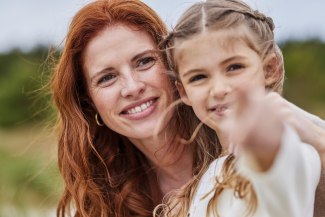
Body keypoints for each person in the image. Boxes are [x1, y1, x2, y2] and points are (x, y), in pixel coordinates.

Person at [50, 0, 219, 216]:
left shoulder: (240, 147)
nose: (132, 87)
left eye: (144, 61)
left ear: (171, 63)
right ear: (88, 101)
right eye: (107, 78)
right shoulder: (103, 201)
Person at [158, 0, 322, 216]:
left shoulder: (296, 151)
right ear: (184, 92)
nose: (218, 89)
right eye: (199, 77)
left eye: (234, 67)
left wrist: (268, 143)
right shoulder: (203, 182)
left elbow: (283, 174)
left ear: (270, 69)